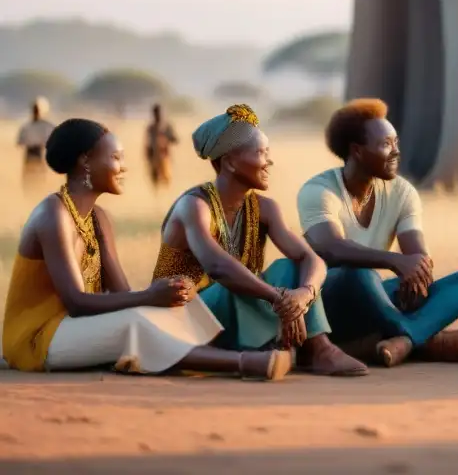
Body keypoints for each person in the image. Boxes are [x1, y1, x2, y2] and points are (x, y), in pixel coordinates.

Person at [3, 118, 290, 380]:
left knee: (178, 306)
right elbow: (76, 303)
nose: (124, 167)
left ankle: (225, 351)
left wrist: (168, 294)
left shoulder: (99, 219)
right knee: (136, 322)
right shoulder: (53, 215)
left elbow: (122, 295)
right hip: (39, 338)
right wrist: (149, 296)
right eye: (115, 157)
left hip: (76, 328)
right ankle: (244, 363)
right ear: (85, 161)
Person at [151, 104, 367, 377]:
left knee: (290, 267)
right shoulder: (194, 206)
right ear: (229, 161)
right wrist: (279, 299)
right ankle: (276, 348)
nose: (269, 161)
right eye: (261, 153)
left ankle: (319, 348)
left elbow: (310, 258)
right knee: (232, 283)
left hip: (237, 313)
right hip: (187, 318)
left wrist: (303, 295)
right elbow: (218, 268)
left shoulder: (264, 209)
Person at [298, 99, 458, 368]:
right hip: (329, 305)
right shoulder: (318, 191)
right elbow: (332, 249)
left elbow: (417, 256)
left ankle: (401, 342)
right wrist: (395, 261)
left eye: (396, 142)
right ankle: (429, 340)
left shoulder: (402, 192)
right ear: (357, 151)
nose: (396, 152)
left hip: (374, 300)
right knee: (358, 273)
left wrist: (418, 276)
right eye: (386, 144)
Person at [17, 98, 55, 194]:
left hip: (40, 154)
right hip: (30, 155)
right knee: (29, 179)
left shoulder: (47, 126)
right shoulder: (27, 126)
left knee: (39, 178)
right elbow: (20, 142)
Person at [145, 103, 178, 192]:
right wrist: (148, 153)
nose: (158, 116)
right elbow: (147, 142)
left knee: (166, 175)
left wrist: (168, 137)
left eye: (159, 113)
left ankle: (167, 192)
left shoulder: (167, 126)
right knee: (154, 175)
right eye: (156, 114)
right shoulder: (151, 127)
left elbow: (175, 139)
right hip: (154, 155)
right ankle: (156, 194)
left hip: (165, 155)